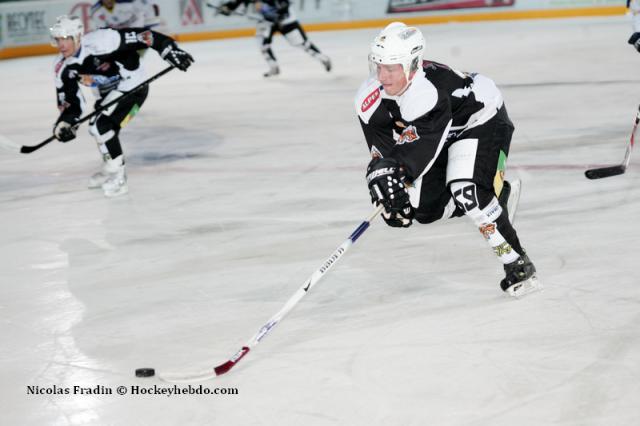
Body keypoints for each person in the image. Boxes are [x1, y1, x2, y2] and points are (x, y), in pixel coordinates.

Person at [355, 22, 541, 297]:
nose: (382, 76)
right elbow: (385, 154)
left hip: (481, 119)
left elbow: (418, 153)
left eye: (391, 68)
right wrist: (385, 187)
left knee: (467, 191)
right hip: (440, 132)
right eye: (378, 66)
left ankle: (516, 262)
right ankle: (494, 196)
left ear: (412, 65)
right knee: (421, 211)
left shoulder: (427, 93)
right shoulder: (368, 100)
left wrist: (398, 172)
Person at [50, 15, 193, 197]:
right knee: (101, 129)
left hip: (133, 85)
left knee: (100, 126)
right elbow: (72, 103)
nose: (61, 44)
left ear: (77, 36)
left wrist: (169, 50)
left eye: (65, 39)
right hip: (107, 93)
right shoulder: (62, 67)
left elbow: (145, 36)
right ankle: (111, 167)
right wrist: (65, 122)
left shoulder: (103, 41)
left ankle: (118, 177)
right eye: (57, 39)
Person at [217, 0, 331, 77]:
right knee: (262, 43)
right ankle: (274, 67)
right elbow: (237, 5)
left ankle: (323, 58)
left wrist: (280, 16)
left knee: (301, 43)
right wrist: (226, 8)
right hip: (267, 22)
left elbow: (285, 4)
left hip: (286, 20)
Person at [90, 0, 167, 33]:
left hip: (137, 27)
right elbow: (102, 29)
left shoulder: (130, 1)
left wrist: (149, 28)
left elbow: (149, 10)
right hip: (118, 32)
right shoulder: (96, 11)